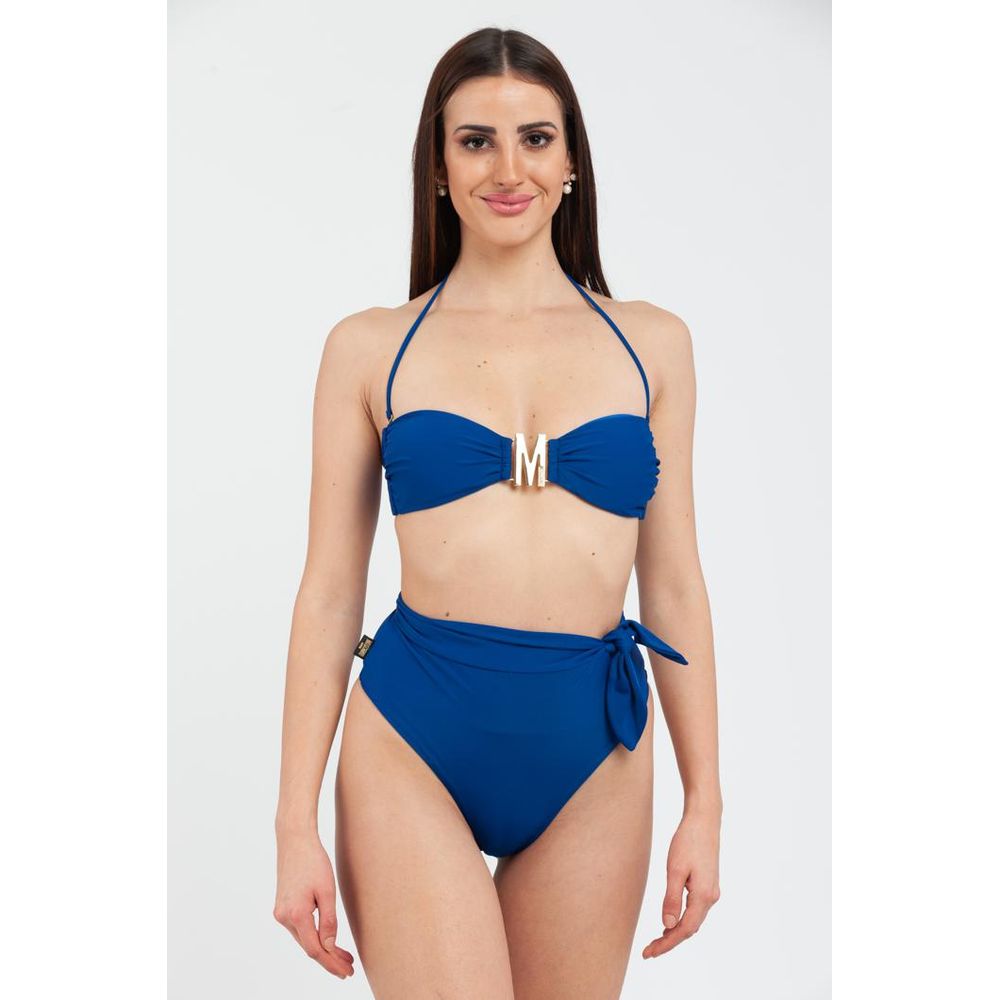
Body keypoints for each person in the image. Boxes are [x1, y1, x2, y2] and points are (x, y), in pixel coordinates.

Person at [273, 26, 722, 999]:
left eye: (535, 139)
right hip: (413, 735)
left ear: (572, 162)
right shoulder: (368, 348)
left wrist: (706, 803)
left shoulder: (654, 345)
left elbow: (676, 582)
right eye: (476, 141)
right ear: (438, 166)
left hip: (594, 751)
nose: (508, 169)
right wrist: (292, 825)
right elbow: (328, 592)